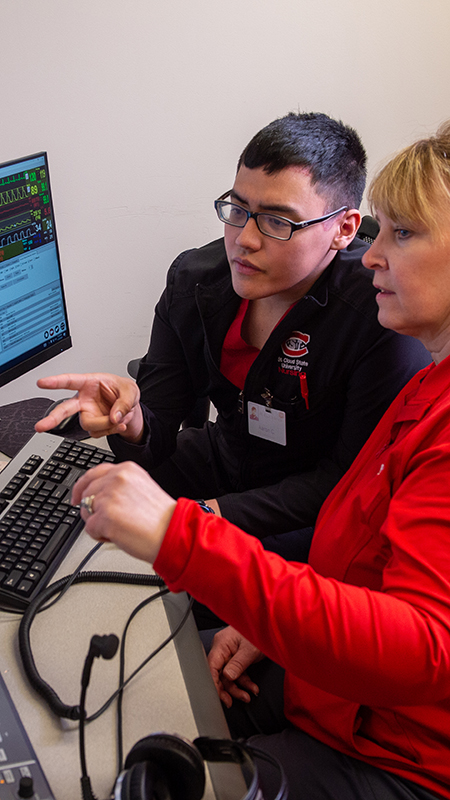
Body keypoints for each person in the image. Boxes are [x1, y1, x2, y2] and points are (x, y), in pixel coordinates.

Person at [71, 121, 450, 799]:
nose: (373, 258)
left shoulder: (382, 334)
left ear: (338, 228)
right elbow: (359, 533)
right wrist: (268, 629)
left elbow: (419, 646)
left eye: (403, 234)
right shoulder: (430, 381)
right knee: (119, 698)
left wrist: (189, 532)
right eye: (238, 211)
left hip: (396, 744)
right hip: (329, 675)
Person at [35, 112, 429, 556]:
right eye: (238, 209)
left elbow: (345, 480)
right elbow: (160, 425)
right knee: (79, 512)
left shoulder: (379, 312)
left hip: (310, 511)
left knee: (159, 579)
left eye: (278, 222)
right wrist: (130, 418)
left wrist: (202, 519)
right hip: (225, 457)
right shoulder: (194, 281)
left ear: (344, 229)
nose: (244, 239)